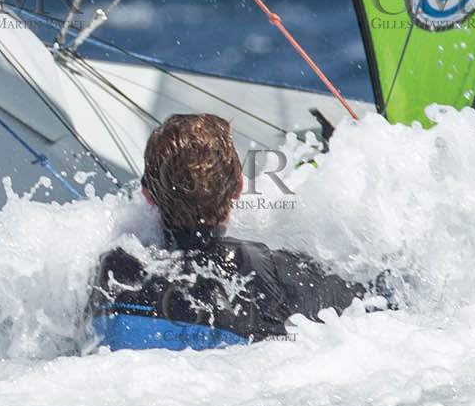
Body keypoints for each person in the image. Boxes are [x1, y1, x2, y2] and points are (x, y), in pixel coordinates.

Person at [89, 113, 372, 350]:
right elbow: (371, 301)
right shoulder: (266, 271)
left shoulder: (112, 271)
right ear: (238, 188)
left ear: (146, 195)